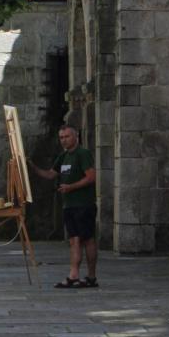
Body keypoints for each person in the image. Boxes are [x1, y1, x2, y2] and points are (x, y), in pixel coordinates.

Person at [29, 124, 98, 289]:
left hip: (84, 204)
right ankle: (73, 276)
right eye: (61, 138)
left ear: (75, 137)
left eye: (67, 137)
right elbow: (50, 174)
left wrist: (70, 187)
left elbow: (91, 177)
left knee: (87, 240)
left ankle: (91, 276)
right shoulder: (63, 156)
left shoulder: (83, 154)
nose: (64, 141)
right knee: (74, 240)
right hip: (69, 205)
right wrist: (31, 167)